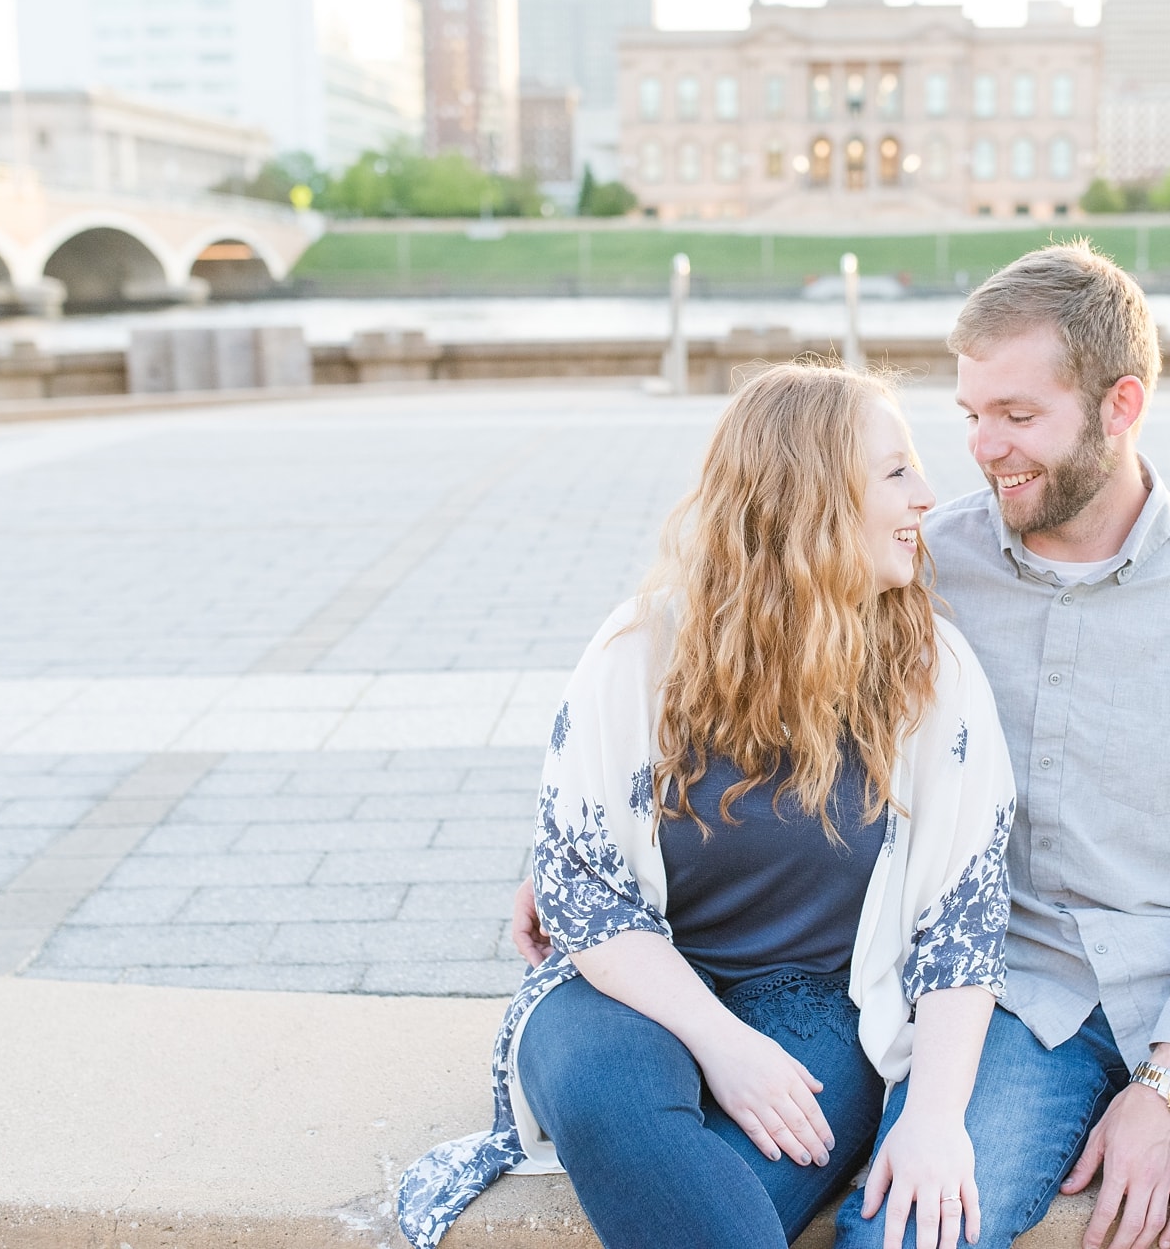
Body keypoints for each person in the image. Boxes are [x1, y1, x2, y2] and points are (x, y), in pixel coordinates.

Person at [516, 243, 1170, 1249]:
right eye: (970, 413)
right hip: (1011, 984)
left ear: (1119, 406)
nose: (981, 449)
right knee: (899, 1235)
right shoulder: (915, 568)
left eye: (1017, 416)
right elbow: (729, 649)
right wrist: (552, 850)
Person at [401, 362, 1017, 1249]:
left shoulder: (935, 675)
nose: (928, 495)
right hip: (626, 992)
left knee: (712, 1209)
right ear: (808, 496)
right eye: (895, 472)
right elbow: (581, 885)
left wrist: (933, 1114)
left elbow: (963, 917)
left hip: (817, 1010)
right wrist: (721, 1043)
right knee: (612, 1101)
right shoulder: (639, 653)